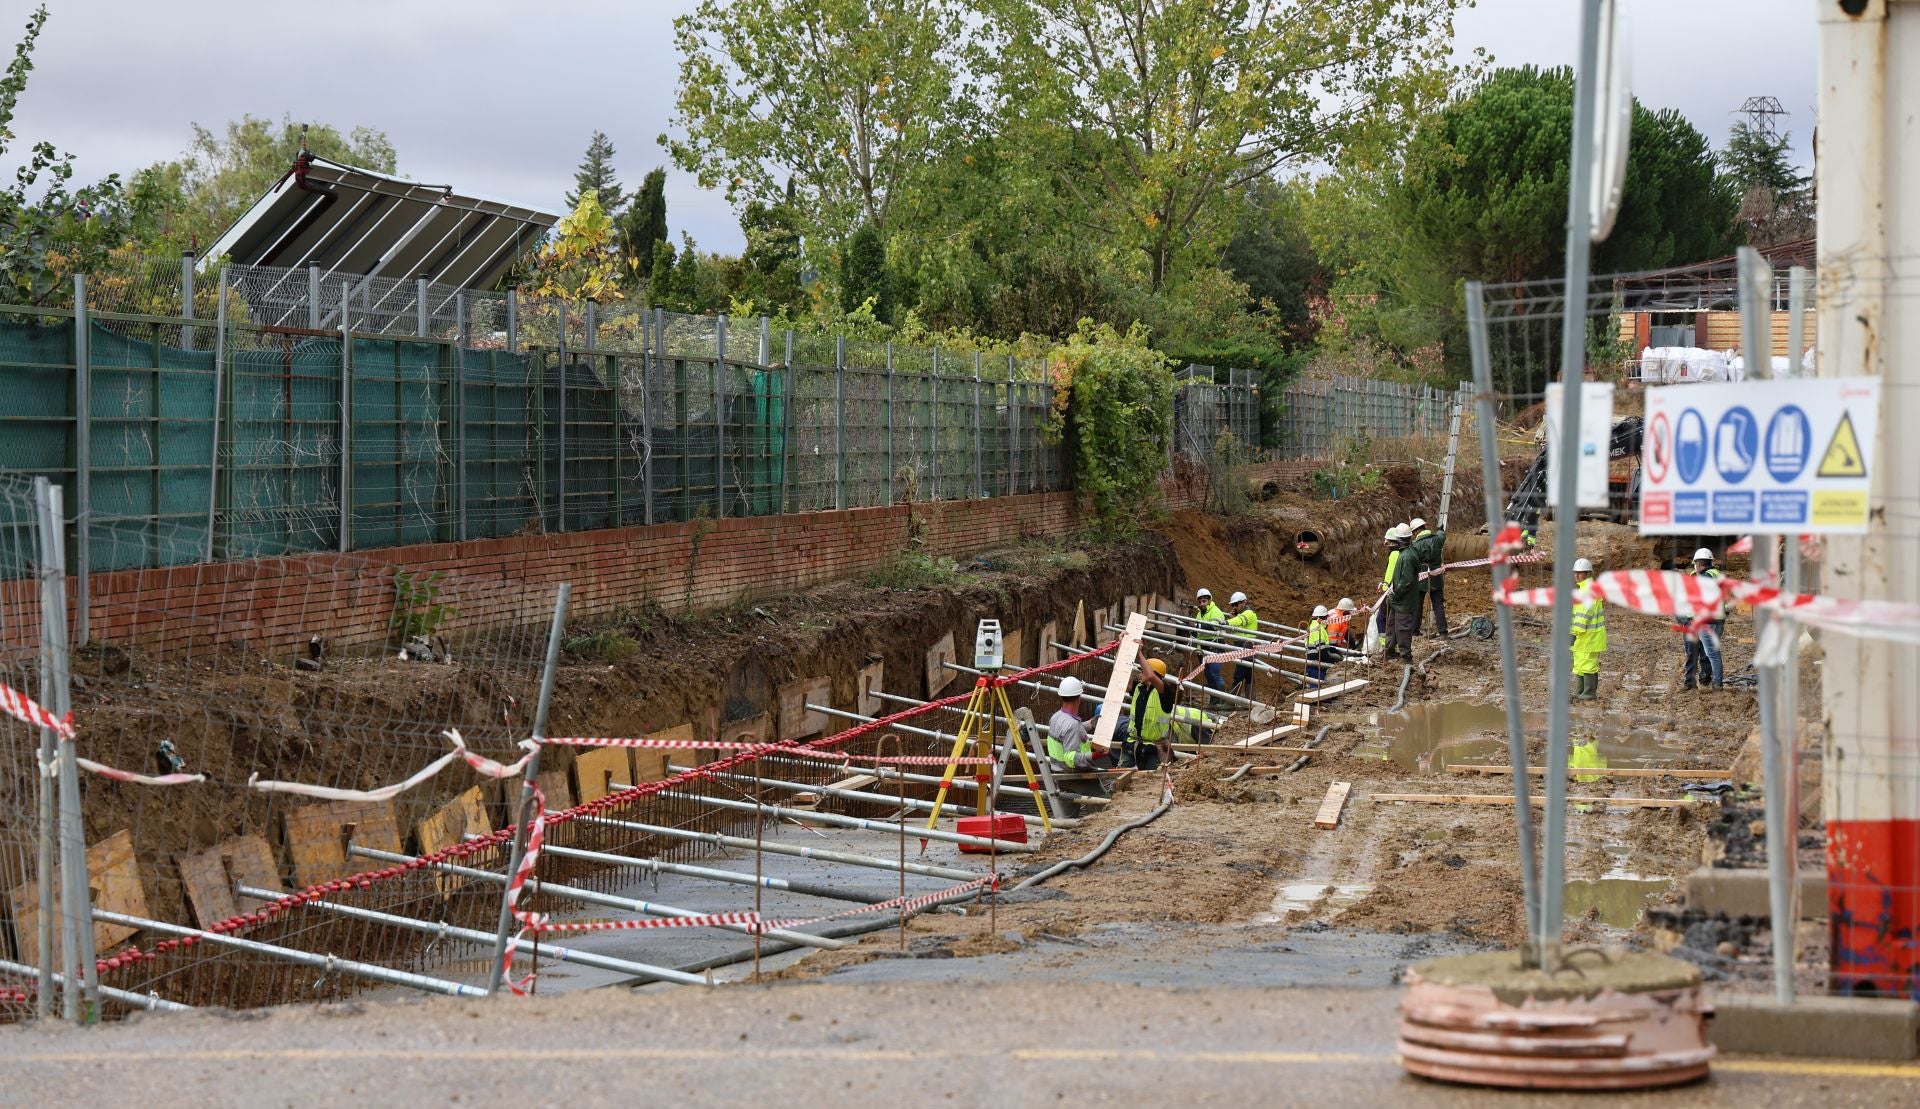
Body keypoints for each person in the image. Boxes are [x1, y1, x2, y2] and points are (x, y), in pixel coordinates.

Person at [1682, 548, 1725, 691]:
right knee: (1702, 652)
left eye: (1695, 563)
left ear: (1699, 563)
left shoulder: (1707, 577)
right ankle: (1698, 680)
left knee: (1705, 653)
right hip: (1703, 620)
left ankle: (1707, 681)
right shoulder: (1713, 576)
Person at [1126, 657, 1178, 770]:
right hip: (1134, 743)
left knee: (1151, 780)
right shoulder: (1138, 688)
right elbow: (1120, 675)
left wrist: (1139, 653)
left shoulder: (1165, 692)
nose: (1140, 673)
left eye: (1142, 671)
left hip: (1155, 748)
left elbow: (1151, 676)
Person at [1045, 676, 1106, 771]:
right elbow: (1072, 759)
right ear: (1079, 698)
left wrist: (1090, 723)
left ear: (1061, 696)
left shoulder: (1056, 717)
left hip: (1059, 772)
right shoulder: (1072, 725)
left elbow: (1066, 733)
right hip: (1074, 776)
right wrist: (1094, 755)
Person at [1571, 557, 1607, 700]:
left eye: (1580, 573)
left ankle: (1589, 693)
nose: (1577, 575)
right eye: (1575, 573)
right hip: (1583, 636)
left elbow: (1583, 615)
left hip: (1590, 636)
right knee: (1579, 664)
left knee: (1588, 664)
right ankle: (1580, 691)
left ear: (1588, 573)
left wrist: (1572, 633)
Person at [1384, 528, 1421, 661]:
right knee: (1392, 626)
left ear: (1399, 540)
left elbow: (1406, 582)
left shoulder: (1407, 556)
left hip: (1403, 601)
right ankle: (1389, 652)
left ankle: (1406, 657)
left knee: (1402, 629)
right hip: (1398, 601)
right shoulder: (1405, 553)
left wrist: (1396, 595)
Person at [1410, 517, 1449, 638]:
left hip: (1420, 578)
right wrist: (1440, 530)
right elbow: (1442, 535)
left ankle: (1414, 630)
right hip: (1436, 576)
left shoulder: (1414, 544)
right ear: (1424, 527)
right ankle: (1443, 631)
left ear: (1415, 531)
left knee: (1417, 604)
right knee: (1438, 604)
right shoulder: (1437, 539)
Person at [1192, 588, 1228, 694]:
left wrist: (1195, 626)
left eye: (1204, 601)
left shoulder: (1215, 611)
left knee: (1214, 674)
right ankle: (1214, 701)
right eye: (1200, 601)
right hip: (1203, 648)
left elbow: (1213, 627)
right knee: (1208, 675)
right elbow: (1197, 631)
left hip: (1215, 647)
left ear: (1209, 600)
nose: (1201, 604)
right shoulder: (1200, 614)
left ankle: (1221, 700)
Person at [1374, 525, 1407, 639]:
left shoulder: (1394, 554)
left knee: (1381, 618)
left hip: (1390, 591)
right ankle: (1391, 644)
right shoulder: (1404, 553)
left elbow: (1390, 573)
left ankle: (1385, 646)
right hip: (1397, 589)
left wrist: (1385, 586)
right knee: (1392, 619)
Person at [1225, 590, 1260, 697]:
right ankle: (1251, 700)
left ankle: (1231, 702)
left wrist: (1227, 622)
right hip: (1242, 647)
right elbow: (1233, 630)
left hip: (1247, 647)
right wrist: (1232, 619)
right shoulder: (1239, 616)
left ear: (1244, 603)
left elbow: (1240, 620)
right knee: (1248, 674)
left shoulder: (1248, 614)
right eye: (1233, 605)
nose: (1234, 607)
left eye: (1236, 604)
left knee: (1239, 674)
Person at [1304, 604, 1334, 686]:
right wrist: (1331, 662)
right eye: (1326, 617)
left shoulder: (1313, 626)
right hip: (1317, 665)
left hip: (1312, 663)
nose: (1327, 619)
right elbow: (1321, 650)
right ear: (1322, 618)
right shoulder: (1318, 628)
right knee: (1316, 690)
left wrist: (1332, 650)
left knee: (1312, 690)